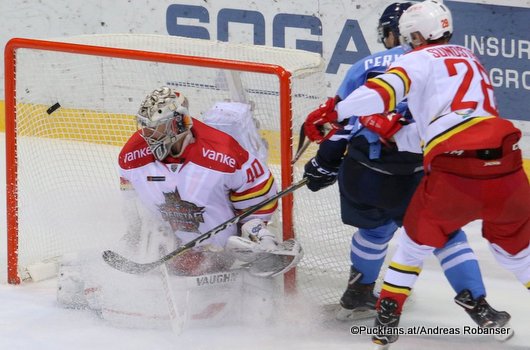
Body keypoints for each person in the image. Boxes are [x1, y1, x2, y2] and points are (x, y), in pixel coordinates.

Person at [304, 0, 530, 347]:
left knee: (375, 231)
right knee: (449, 235)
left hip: (368, 170)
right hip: (431, 169)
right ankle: (477, 302)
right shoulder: (469, 59)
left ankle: (361, 293)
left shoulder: (377, 64)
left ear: (401, 34)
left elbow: (347, 122)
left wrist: (323, 162)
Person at [57, 87, 303, 320]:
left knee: (253, 296)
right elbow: (132, 204)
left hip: (220, 249)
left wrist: (256, 234)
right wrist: (134, 236)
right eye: (146, 129)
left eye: (157, 128)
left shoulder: (224, 153)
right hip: (170, 241)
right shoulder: (132, 156)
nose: (149, 136)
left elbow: (258, 199)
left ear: (180, 123)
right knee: (145, 251)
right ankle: (81, 275)